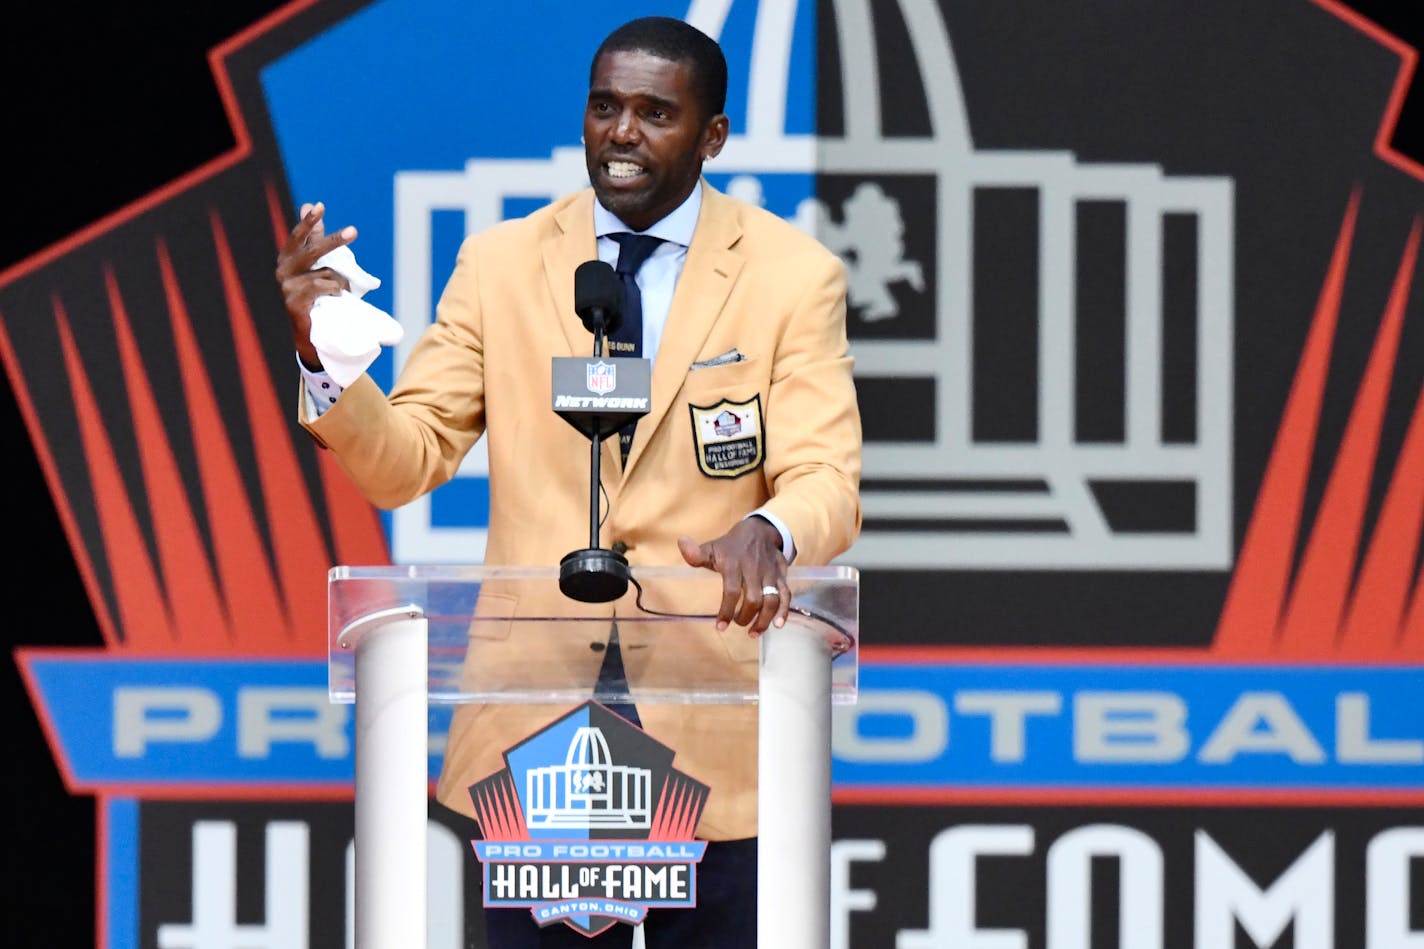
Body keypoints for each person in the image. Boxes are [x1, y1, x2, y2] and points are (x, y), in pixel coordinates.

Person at [274, 15, 861, 947]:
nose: (621, 132)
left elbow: (827, 475)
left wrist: (772, 530)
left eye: (654, 113)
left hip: (717, 736)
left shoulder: (791, 277)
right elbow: (409, 458)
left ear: (711, 136)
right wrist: (327, 367)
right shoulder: (502, 263)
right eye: (604, 107)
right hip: (530, 727)